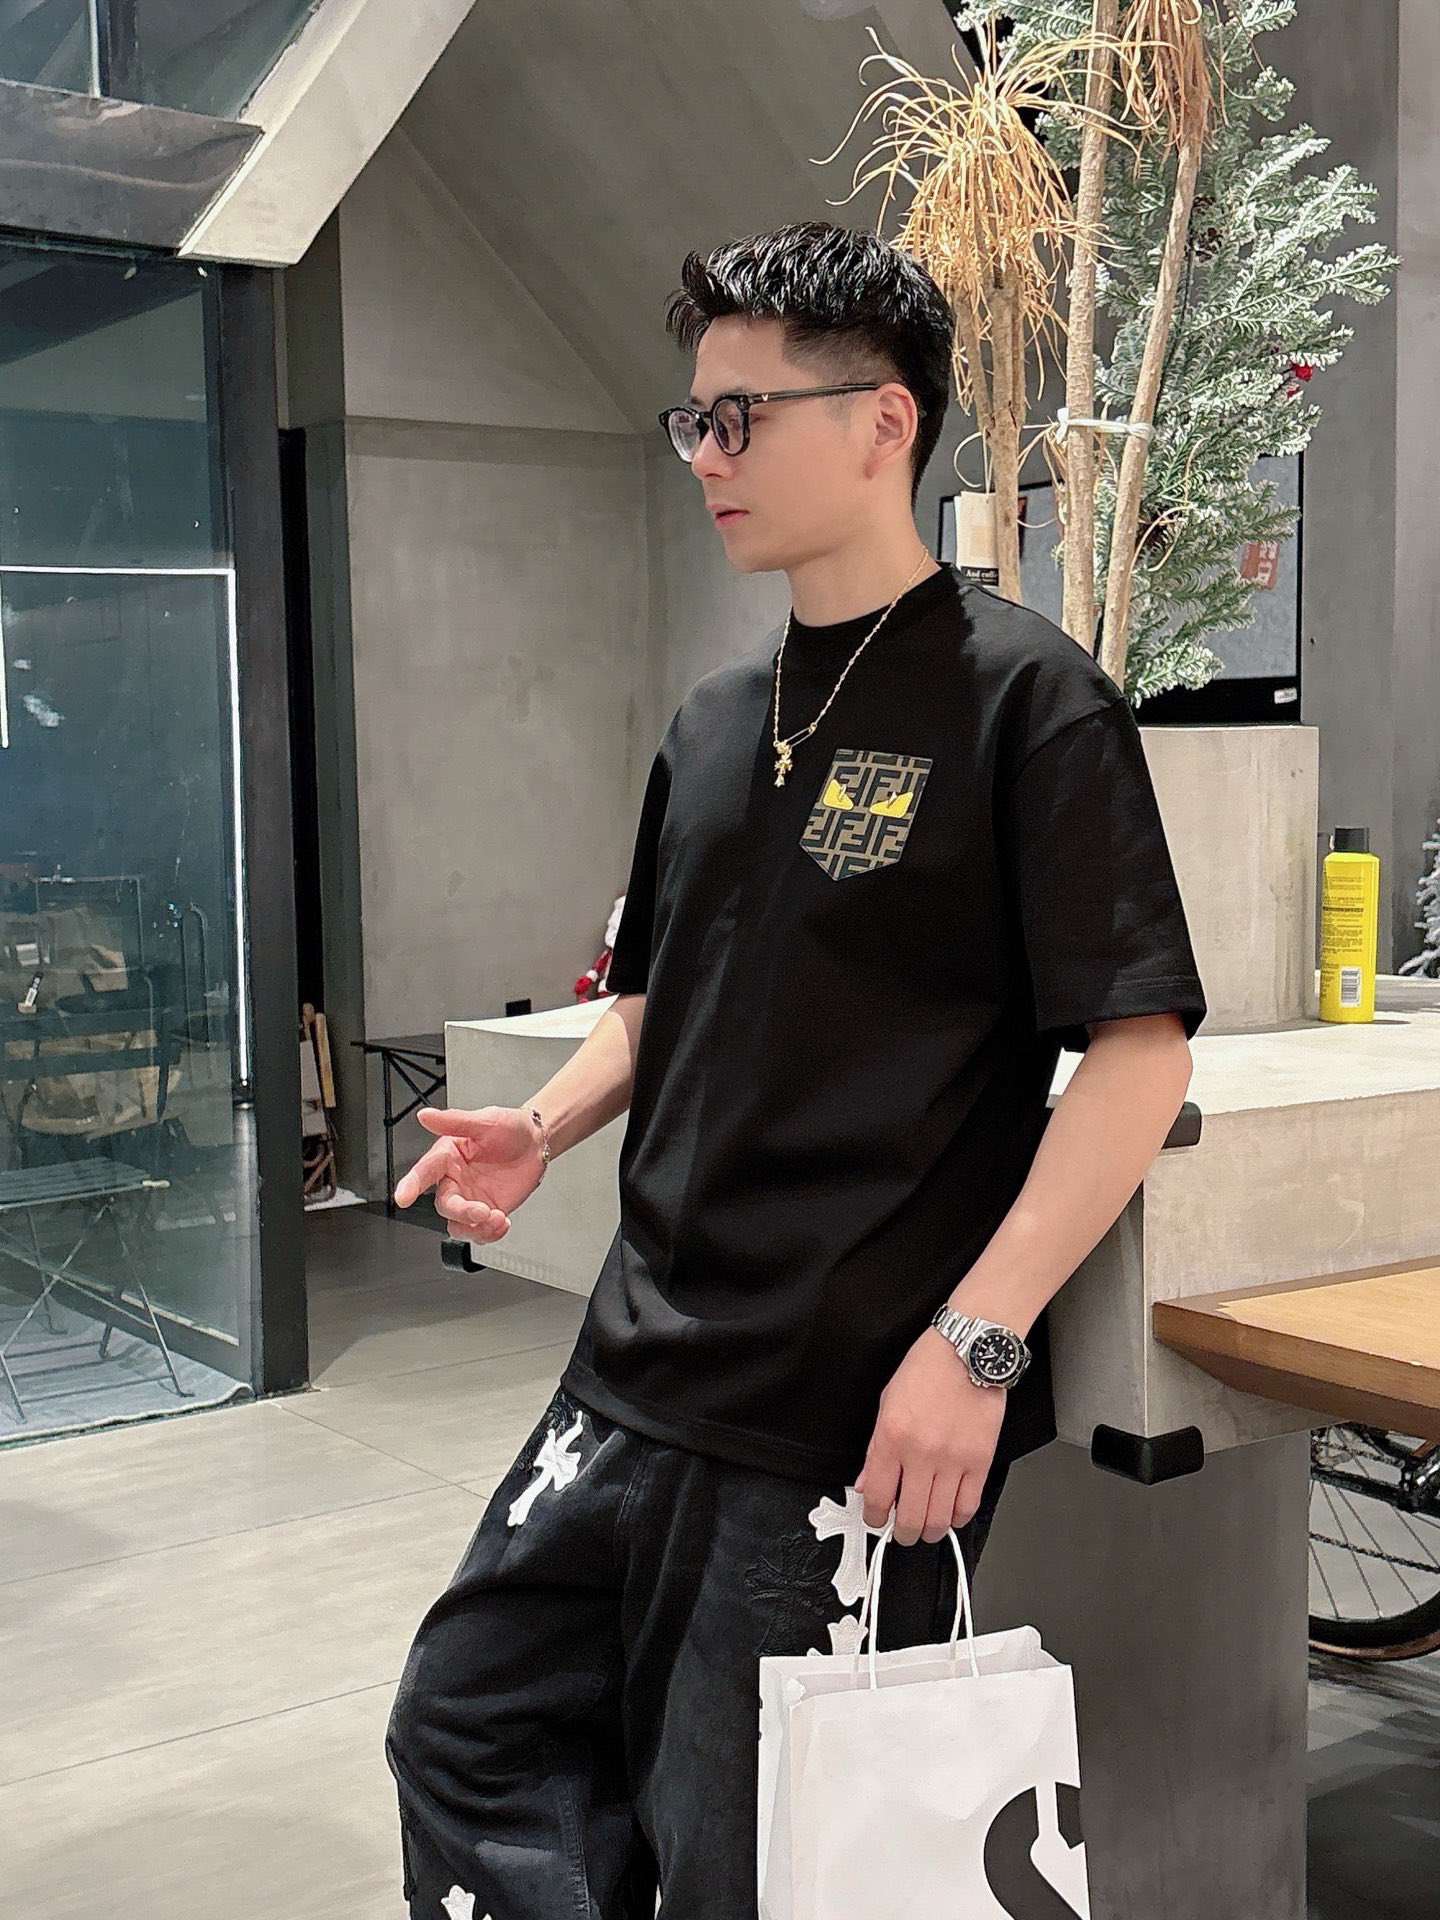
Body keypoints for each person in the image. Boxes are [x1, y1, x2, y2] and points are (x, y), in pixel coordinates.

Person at [383, 219, 1208, 1919]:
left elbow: (1137, 1055)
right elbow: (658, 999)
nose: (706, 455)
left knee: (753, 1861)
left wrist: (978, 1347)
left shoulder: (1029, 704)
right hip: (631, 1366)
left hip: (846, 1409)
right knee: (465, 1733)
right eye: (693, 420)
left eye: (741, 417)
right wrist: (542, 1126)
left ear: (886, 421)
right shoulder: (710, 722)